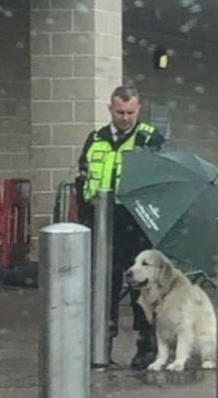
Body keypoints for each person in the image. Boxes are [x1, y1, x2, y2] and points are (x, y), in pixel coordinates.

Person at [76, 85, 165, 370]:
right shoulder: (96, 139)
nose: (125, 118)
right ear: (110, 110)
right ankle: (102, 345)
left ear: (138, 109)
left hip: (136, 221)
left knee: (142, 285)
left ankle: (146, 346)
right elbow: (83, 177)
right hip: (102, 220)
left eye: (130, 112)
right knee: (104, 284)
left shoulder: (149, 138)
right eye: (119, 112)